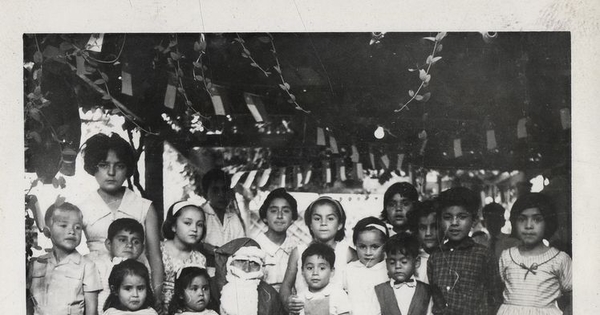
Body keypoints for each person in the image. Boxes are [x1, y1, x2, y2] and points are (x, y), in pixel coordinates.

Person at [79, 133, 163, 298]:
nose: (111, 172)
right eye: (103, 165)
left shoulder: (144, 207)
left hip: (137, 290)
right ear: (93, 167)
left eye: (119, 166)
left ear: (128, 169)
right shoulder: (82, 208)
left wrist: (157, 295)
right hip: (96, 288)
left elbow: (155, 258)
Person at [427, 187, 503, 315]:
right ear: (440, 221)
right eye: (447, 217)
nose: (454, 223)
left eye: (462, 217)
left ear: (473, 221)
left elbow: (495, 296)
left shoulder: (484, 255)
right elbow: (435, 297)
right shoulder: (435, 257)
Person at [497, 193, 572, 315]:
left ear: (547, 221)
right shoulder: (507, 256)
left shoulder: (559, 259)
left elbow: (573, 296)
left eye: (537, 219)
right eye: (522, 219)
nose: (528, 226)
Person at [280, 196, 355, 313]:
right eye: (317, 219)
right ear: (309, 224)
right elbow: (286, 285)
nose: (323, 223)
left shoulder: (347, 252)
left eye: (330, 219)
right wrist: (287, 301)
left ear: (340, 224)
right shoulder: (298, 252)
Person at [27, 202, 102, 315]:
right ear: (48, 232)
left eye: (78, 227)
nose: (72, 231)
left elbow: (91, 311)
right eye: (63, 225)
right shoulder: (36, 264)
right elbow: (28, 306)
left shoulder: (87, 266)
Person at [86, 218, 148, 315]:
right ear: (109, 244)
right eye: (123, 240)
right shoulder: (99, 266)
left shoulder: (142, 268)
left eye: (136, 242)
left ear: (142, 248)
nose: (129, 245)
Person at [161, 201, 208, 313]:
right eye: (187, 223)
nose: (194, 229)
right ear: (173, 226)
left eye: (199, 224)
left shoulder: (199, 259)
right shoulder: (159, 251)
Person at [374, 233, 433, 315]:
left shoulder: (427, 291)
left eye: (404, 262)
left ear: (416, 262)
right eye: (392, 262)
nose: (397, 266)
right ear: (386, 264)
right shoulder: (379, 291)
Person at [252, 188, 299, 291]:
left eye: (286, 211)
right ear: (265, 217)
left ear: (293, 218)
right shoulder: (255, 247)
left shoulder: (296, 248)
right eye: (273, 211)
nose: (279, 216)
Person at [219, 244, 285, 315]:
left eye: (253, 263)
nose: (247, 269)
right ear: (230, 263)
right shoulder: (213, 288)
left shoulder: (270, 295)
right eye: (241, 261)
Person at [343, 217, 389, 315]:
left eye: (374, 247)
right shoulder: (349, 270)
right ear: (355, 245)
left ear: (385, 246)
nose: (368, 253)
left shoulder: (388, 270)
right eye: (362, 247)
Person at [295, 243, 351, 315]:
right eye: (310, 268)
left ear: (332, 271)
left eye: (322, 268)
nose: (315, 273)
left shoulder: (338, 295)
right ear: (302, 271)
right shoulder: (300, 298)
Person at [198, 169, 245, 252]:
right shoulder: (200, 216)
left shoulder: (233, 218)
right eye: (215, 191)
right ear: (206, 194)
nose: (221, 195)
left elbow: (241, 246)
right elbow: (196, 245)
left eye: (224, 190)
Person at [407, 199, 441, 284]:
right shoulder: (412, 260)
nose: (428, 233)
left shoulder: (449, 257)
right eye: (423, 228)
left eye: (434, 227)